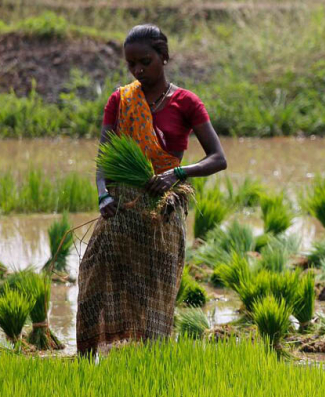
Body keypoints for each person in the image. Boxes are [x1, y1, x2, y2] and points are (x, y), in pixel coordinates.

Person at [76, 24, 227, 355]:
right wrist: (104, 194)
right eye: (131, 64)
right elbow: (104, 159)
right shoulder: (120, 100)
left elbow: (218, 158)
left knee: (156, 295)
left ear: (164, 57)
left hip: (161, 213)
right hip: (121, 211)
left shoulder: (186, 102)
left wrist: (178, 173)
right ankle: (87, 365)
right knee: (92, 285)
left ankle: (152, 364)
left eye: (145, 61)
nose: (138, 70)